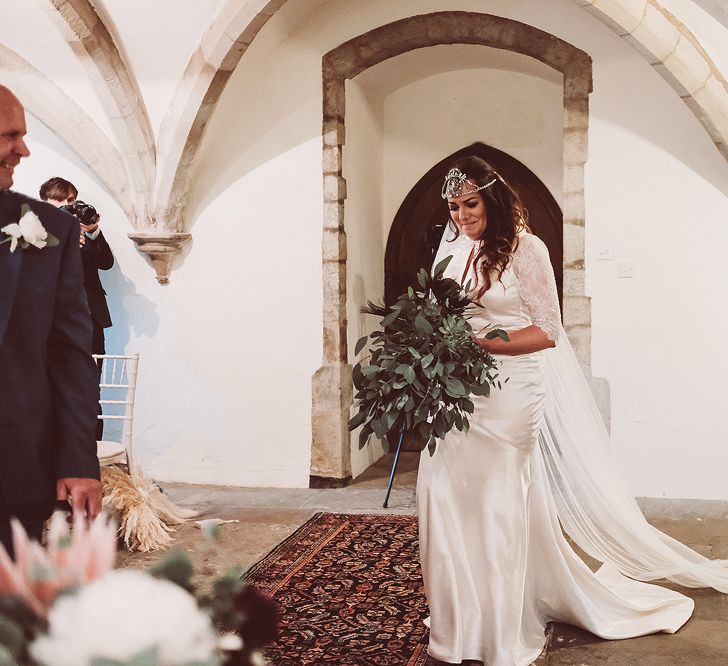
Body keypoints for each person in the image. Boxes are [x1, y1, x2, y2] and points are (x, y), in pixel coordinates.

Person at [417, 155, 728, 665]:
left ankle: (499, 625)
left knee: (498, 499)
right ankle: (462, 613)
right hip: (457, 395)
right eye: (453, 206)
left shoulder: (526, 248)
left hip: (511, 392)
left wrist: (483, 343)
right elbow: (437, 316)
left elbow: (547, 330)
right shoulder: (451, 249)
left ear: (491, 198)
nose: (461, 216)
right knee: (446, 494)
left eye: (470, 204)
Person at [0, 85, 102, 556]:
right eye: (10, 136)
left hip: (14, 470)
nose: (23, 150)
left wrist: (79, 459)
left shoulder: (50, 229)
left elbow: (70, 356)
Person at [39, 177, 114, 357]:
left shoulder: (84, 232)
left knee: (93, 377)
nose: (67, 204)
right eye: (60, 200)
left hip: (90, 318)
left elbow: (106, 263)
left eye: (71, 200)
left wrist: (93, 231)